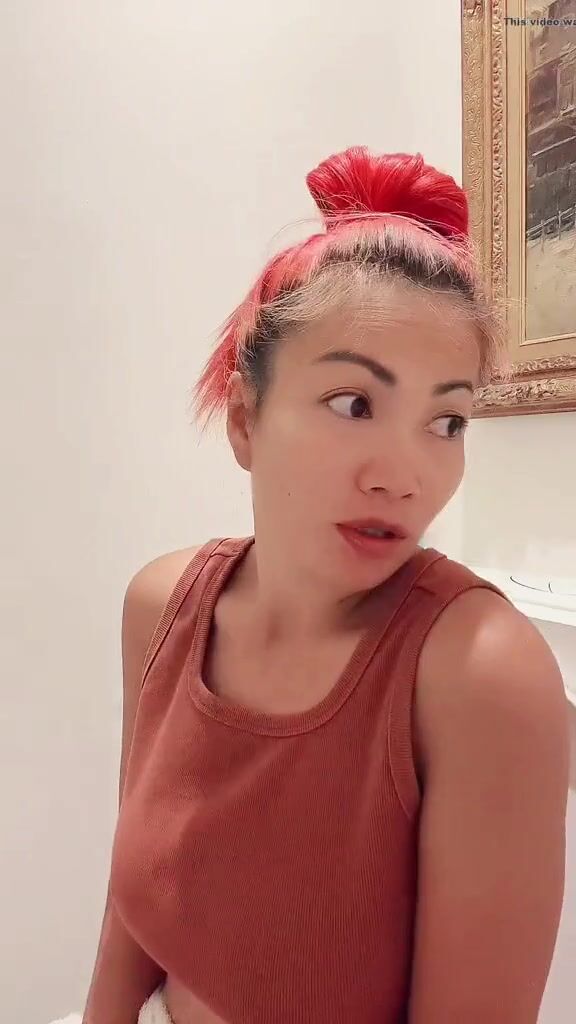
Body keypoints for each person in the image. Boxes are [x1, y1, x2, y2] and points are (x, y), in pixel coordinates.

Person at [82, 147, 570, 1024]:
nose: (406, 476)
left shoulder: (481, 676)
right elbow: (134, 907)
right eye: (354, 403)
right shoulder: (163, 607)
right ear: (245, 419)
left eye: (447, 421)